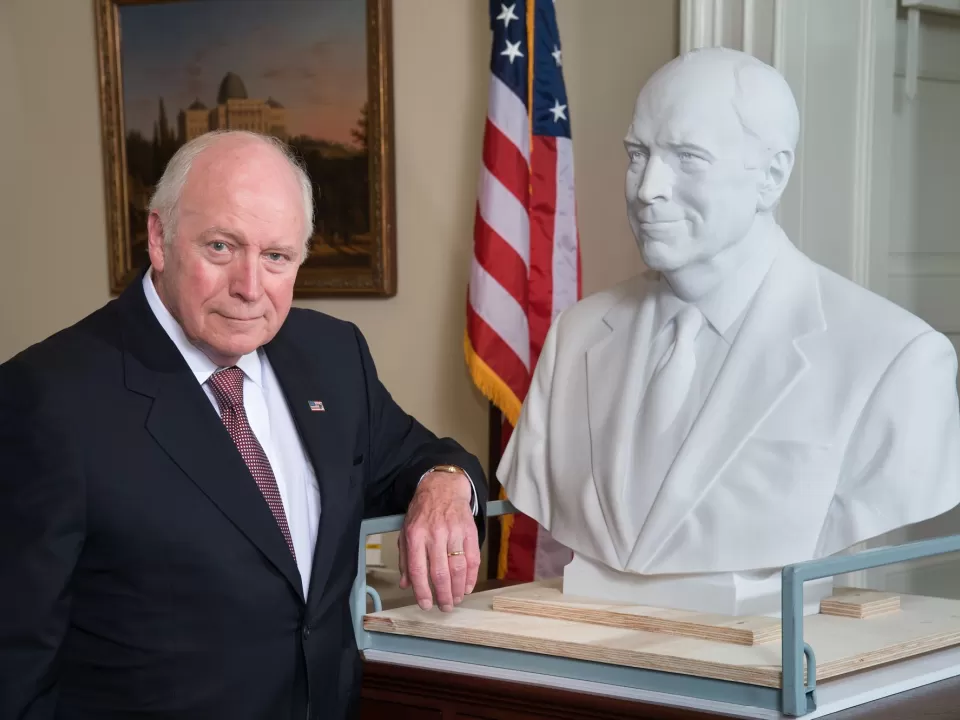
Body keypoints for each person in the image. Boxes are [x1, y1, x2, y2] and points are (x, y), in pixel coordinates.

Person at [0, 130, 487, 719]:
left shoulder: (332, 355)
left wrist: (443, 483)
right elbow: (17, 664)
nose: (250, 288)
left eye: (276, 257)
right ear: (159, 238)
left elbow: (419, 454)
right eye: (222, 247)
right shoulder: (47, 396)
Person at [497, 47, 960, 615]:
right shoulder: (578, 335)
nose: (647, 189)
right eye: (638, 154)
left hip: (778, 659)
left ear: (772, 176)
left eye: (688, 158)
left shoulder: (896, 358)